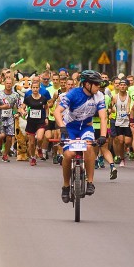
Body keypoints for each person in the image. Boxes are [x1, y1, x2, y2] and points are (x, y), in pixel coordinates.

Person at [53, 70, 108, 203]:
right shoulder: (73, 94)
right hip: (70, 128)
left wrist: (103, 135)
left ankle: (90, 182)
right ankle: (66, 186)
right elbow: (57, 111)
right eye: (96, 84)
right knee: (69, 155)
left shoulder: (99, 96)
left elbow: (103, 117)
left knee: (89, 148)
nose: (98, 86)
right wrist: (62, 127)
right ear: (87, 84)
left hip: (86, 128)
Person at [21, 75, 50, 166]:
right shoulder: (28, 98)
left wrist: (46, 117)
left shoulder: (43, 98)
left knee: (40, 137)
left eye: (37, 87)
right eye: (33, 87)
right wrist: (23, 112)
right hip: (31, 122)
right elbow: (22, 107)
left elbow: (46, 108)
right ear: (31, 88)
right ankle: (33, 157)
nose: (35, 89)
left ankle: (40, 147)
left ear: (39, 88)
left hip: (40, 121)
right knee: (32, 143)